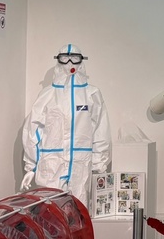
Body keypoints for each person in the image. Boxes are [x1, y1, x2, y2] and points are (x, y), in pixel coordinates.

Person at [20, 44, 110, 210]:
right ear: (58, 61)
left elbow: (100, 131)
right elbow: (33, 130)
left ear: (81, 61)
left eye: (74, 59)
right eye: (65, 59)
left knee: (79, 211)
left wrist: (99, 165)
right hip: (52, 163)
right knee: (50, 212)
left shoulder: (92, 94)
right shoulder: (47, 95)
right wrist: (31, 166)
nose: (69, 63)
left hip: (80, 165)